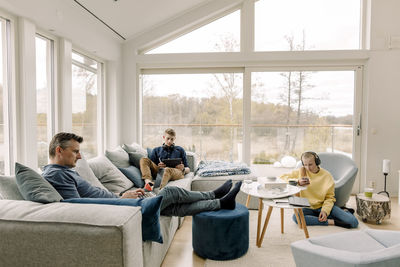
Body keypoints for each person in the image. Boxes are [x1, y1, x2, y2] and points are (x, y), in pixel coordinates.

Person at [42, 132, 242, 217]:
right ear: (59, 150)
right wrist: (121, 198)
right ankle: (214, 196)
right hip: (118, 210)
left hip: (119, 202)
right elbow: (76, 208)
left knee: (172, 209)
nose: (80, 156)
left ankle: (221, 202)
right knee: (171, 194)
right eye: (75, 151)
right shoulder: (56, 175)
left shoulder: (64, 171)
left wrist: (122, 196)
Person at [280, 151, 358, 229]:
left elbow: (329, 198)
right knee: (296, 218)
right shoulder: (301, 171)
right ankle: (332, 221)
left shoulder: (327, 176)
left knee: (353, 222)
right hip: (307, 207)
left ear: (317, 162)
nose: (308, 168)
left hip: (322, 206)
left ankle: (344, 211)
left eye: (310, 164)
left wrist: (325, 211)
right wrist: (297, 182)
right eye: (305, 164)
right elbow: (281, 177)